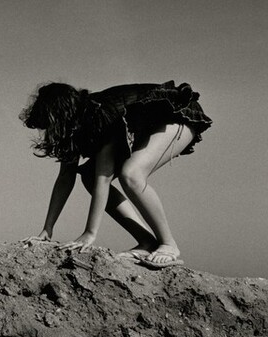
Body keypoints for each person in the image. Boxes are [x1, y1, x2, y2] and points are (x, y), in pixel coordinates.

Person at [19, 80, 212, 268]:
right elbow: (65, 178)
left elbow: (104, 177)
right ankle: (147, 242)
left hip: (174, 114)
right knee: (88, 176)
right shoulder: (71, 130)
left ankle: (169, 244)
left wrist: (89, 232)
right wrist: (47, 229)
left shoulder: (100, 116)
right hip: (144, 126)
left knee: (131, 174)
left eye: (50, 125)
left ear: (63, 117)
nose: (47, 134)